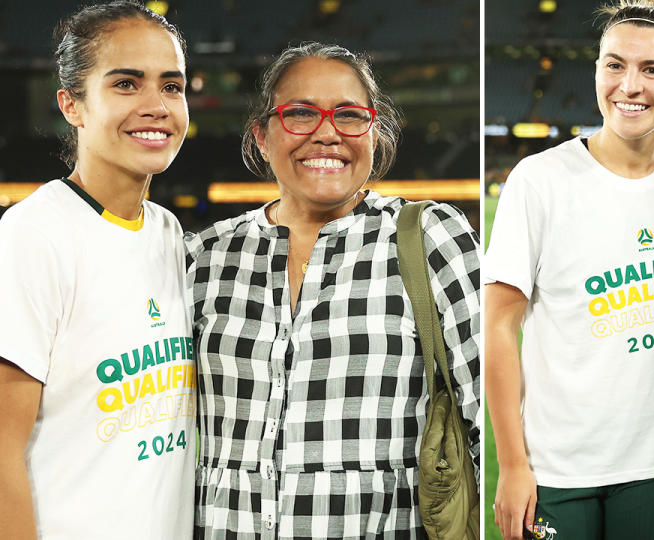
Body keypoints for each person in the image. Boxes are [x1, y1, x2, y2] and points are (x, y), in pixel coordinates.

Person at [185, 42, 481, 539]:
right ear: (261, 135)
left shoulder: (428, 238)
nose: (326, 133)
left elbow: (483, 414)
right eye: (301, 113)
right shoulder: (207, 257)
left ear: (375, 130)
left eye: (349, 115)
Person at [484, 1, 654, 538]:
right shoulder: (538, 180)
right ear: (596, 72)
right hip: (557, 466)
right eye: (614, 65)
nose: (629, 85)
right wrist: (513, 465)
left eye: (652, 69)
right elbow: (497, 327)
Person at [0, 2, 194, 539]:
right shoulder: (34, 235)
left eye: (172, 86)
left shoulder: (166, 232)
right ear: (72, 105)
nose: (156, 105)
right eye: (127, 84)